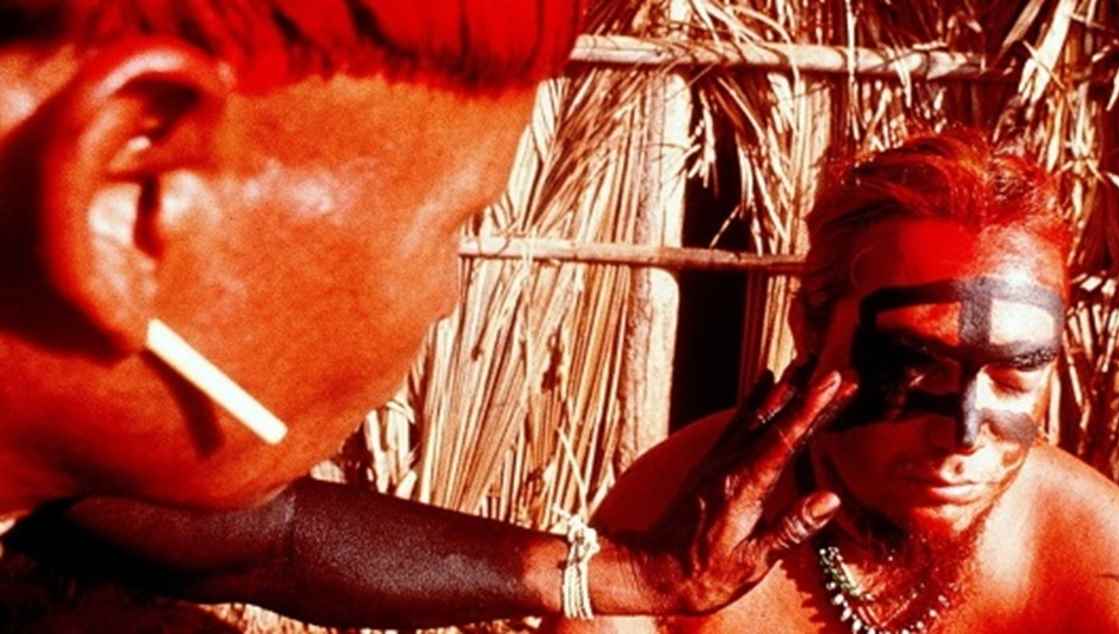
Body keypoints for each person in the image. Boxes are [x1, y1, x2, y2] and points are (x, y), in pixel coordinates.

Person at [0, 1, 857, 628]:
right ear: (133, 197)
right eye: (452, 226)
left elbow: (261, 543)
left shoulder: (61, 497)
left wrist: (633, 576)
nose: (447, 297)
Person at [549, 130, 1119, 633]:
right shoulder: (672, 521)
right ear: (810, 330)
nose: (963, 434)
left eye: (1015, 378)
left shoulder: (1114, 579)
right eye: (915, 365)